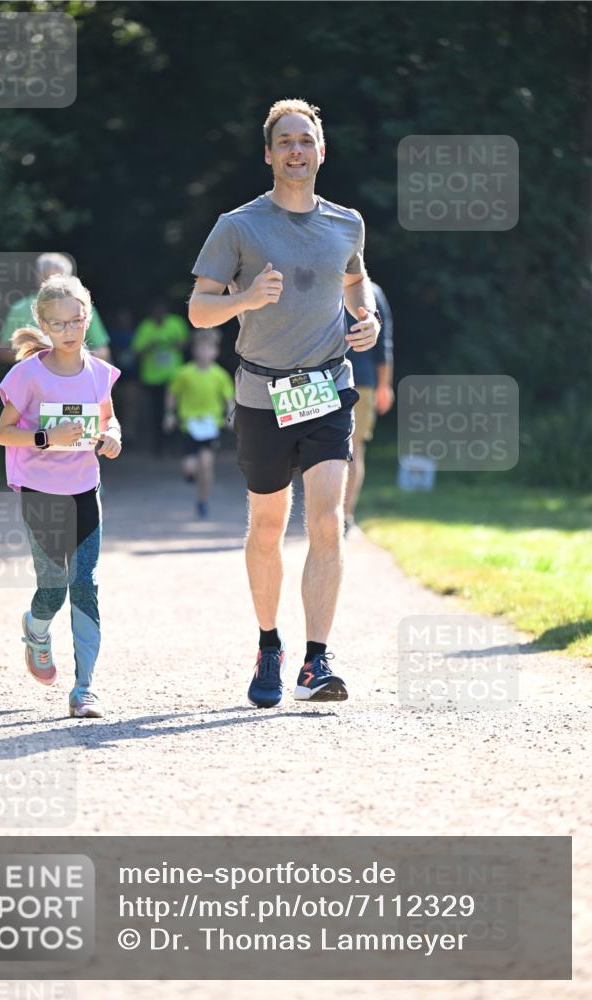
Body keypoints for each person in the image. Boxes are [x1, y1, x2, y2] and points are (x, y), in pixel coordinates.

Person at [189, 98, 381, 708]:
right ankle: (269, 644)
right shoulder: (239, 225)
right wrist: (246, 297)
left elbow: (353, 280)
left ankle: (316, 660)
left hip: (327, 387)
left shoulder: (346, 222)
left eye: (306, 140)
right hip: (261, 395)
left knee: (326, 519)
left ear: (321, 151)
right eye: (285, 142)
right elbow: (198, 310)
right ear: (269, 154)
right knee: (268, 526)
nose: (297, 150)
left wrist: (367, 318)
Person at [0, 274, 122, 719]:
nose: (70, 331)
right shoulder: (27, 375)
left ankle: (85, 687)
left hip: (85, 488)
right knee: (52, 590)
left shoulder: (101, 373)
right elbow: (2, 433)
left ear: (88, 318)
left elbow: (109, 421)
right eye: (60, 324)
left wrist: (112, 437)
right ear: (45, 326)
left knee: (85, 586)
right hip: (40, 493)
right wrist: (47, 437)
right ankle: (36, 629)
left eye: (77, 320)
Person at [163, 327, 235, 518]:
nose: (205, 353)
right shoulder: (184, 373)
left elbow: (229, 399)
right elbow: (172, 393)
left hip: (211, 425)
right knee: (190, 466)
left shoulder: (220, 375)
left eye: (209, 348)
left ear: (215, 351)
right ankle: (189, 474)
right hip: (189, 425)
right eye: (201, 348)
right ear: (194, 350)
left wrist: (230, 417)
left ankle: (203, 500)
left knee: (206, 465)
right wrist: (170, 414)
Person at [0, 253, 111, 364]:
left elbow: (102, 351)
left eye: (75, 321)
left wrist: (73, 359)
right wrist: (37, 355)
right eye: (47, 278)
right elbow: (3, 351)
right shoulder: (19, 308)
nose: (52, 284)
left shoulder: (81, 306)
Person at [344, 281, 395, 535]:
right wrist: (384, 385)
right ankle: (345, 515)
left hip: (323, 380)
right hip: (362, 382)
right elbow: (383, 347)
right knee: (354, 449)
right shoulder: (373, 293)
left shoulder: (321, 283)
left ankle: (327, 513)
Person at [131, 300, 188, 455]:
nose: (160, 315)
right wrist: (150, 346)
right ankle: (158, 448)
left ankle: (176, 446)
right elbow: (136, 352)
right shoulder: (145, 327)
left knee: (176, 412)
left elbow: (186, 343)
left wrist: (174, 344)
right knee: (156, 414)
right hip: (152, 379)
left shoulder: (176, 323)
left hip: (174, 377)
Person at [107, 307, 140, 445]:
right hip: (113, 378)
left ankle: (129, 437)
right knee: (113, 408)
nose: (123, 320)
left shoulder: (136, 334)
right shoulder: (111, 335)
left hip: (131, 377)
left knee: (130, 407)